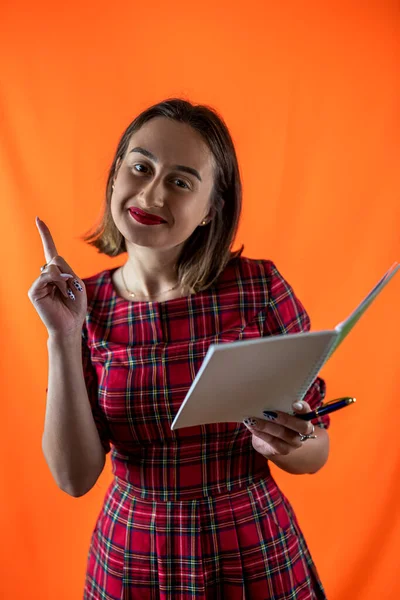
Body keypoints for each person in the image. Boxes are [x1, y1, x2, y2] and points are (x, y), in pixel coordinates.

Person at [28, 98, 330, 600]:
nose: (151, 192)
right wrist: (62, 336)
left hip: (253, 549)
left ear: (212, 208)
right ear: (115, 176)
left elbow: (316, 450)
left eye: (181, 181)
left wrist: (293, 441)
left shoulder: (260, 289)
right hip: (132, 559)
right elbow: (73, 478)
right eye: (141, 167)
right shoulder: (83, 305)